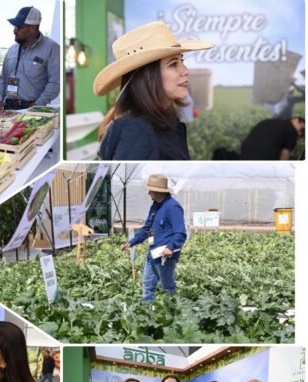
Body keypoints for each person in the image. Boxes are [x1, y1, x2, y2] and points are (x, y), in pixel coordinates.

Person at [94, 21, 214, 160]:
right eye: (173, 64)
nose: (185, 71)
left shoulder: (162, 122)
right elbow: (126, 182)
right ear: (148, 77)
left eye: (182, 61)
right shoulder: (136, 130)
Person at [120, 174, 186, 302]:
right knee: (147, 287)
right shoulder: (155, 206)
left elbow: (180, 233)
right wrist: (131, 242)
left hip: (165, 257)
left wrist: (170, 247)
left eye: (150, 190)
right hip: (152, 254)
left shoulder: (173, 207)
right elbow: (147, 229)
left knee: (167, 288)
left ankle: (172, 315)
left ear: (158, 192)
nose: (149, 193)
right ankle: (147, 317)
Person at [0, 6, 60, 111]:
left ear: (32, 28)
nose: (14, 31)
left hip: (33, 107)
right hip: (8, 107)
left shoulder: (52, 49)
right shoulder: (12, 49)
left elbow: (55, 82)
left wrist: (38, 104)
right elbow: (3, 77)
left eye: (19, 27)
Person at [239, 117, 305, 160]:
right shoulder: (292, 131)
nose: (300, 134)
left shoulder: (267, 121)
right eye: (302, 130)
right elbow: (284, 159)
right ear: (296, 120)